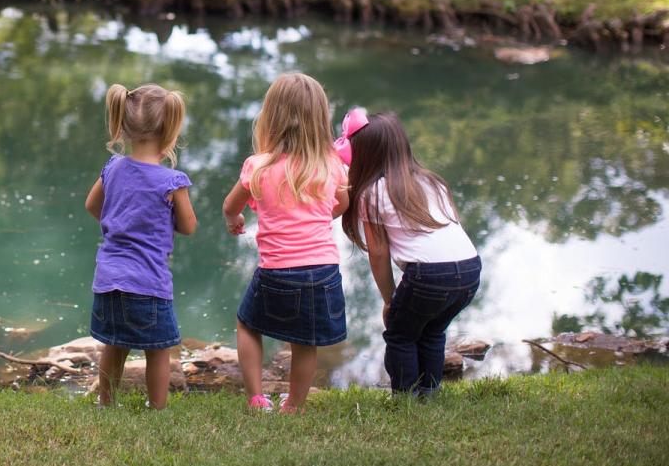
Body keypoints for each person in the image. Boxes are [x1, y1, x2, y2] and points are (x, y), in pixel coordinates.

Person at [222, 73, 349, 414]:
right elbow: (342, 206)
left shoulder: (258, 167)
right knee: (304, 343)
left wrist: (234, 220)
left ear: (270, 117)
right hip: (323, 269)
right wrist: (320, 216)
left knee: (248, 324)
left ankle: (256, 398)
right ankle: (293, 405)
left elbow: (230, 206)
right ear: (320, 119)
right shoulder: (331, 166)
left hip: (277, 271)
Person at [341, 111, 480, 395]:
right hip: (470, 269)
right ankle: (429, 392)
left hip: (429, 274)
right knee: (432, 332)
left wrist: (390, 299)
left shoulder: (373, 192)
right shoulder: (433, 181)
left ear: (365, 156)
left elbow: (378, 253)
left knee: (400, 334)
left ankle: (405, 399)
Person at [85, 83, 197, 410]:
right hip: (148, 283)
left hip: (108, 278)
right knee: (158, 350)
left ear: (124, 126)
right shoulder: (172, 182)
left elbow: (93, 206)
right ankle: (157, 408)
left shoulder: (113, 168)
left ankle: (107, 402)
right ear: (170, 131)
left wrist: (122, 219)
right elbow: (188, 226)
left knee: (113, 344)